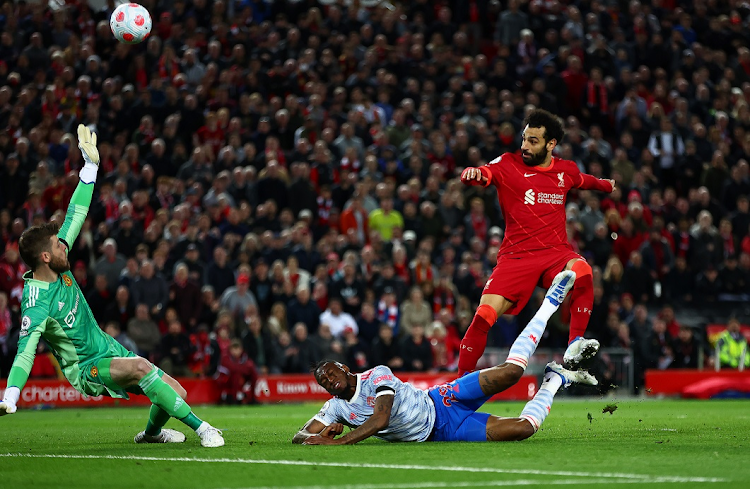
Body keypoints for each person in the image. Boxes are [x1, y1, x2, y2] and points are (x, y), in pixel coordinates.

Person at [0, 126, 224, 448]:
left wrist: (89, 169)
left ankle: (151, 435)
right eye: (58, 245)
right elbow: (25, 353)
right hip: (86, 366)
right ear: (45, 257)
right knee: (143, 368)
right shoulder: (36, 303)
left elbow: (75, 214)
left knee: (177, 392)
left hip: (107, 346)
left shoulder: (57, 260)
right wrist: (11, 395)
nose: (66, 245)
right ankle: (203, 428)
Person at [294, 271, 597, 445]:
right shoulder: (335, 407)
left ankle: (549, 303)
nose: (328, 381)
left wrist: (336, 441)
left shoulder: (376, 375)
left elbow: (380, 418)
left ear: (344, 368)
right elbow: (301, 435)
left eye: (331, 373)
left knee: (512, 372)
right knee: (523, 430)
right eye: (323, 381)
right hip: (444, 432)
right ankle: (555, 379)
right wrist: (315, 433)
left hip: (441, 401)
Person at [458, 109, 615, 375]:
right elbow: (486, 173)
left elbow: (584, 181)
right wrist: (473, 173)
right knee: (483, 317)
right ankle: (457, 389)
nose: (525, 146)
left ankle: (575, 344)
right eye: (524, 139)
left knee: (584, 271)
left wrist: (605, 185)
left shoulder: (565, 170)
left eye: (533, 141)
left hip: (555, 254)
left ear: (550, 144)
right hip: (515, 258)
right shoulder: (508, 163)